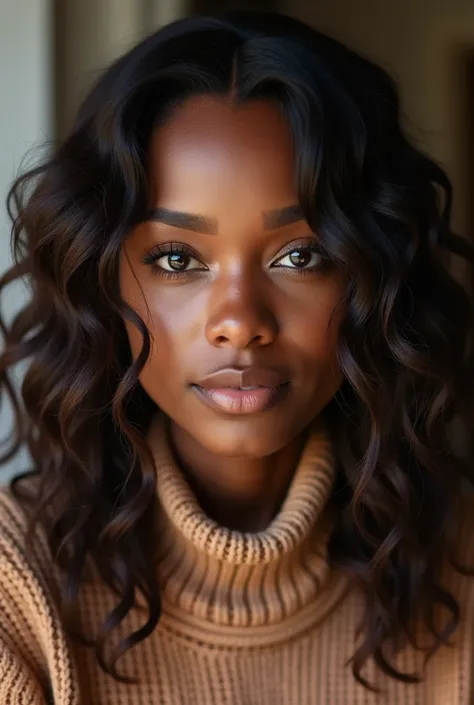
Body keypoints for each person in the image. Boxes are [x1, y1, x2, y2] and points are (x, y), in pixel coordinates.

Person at [1, 9, 474, 704]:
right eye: (177, 258)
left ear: (371, 279)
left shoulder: (459, 568)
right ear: (99, 281)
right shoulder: (17, 593)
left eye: (300, 255)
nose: (240, 323)